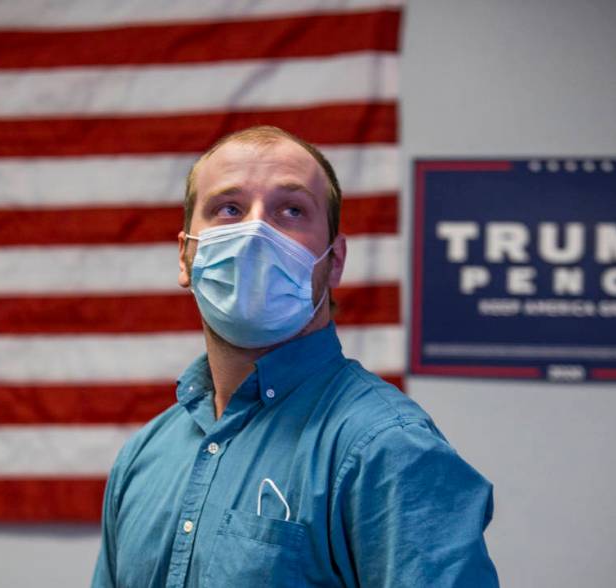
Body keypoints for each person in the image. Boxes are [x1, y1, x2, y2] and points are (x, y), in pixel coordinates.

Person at [92, 126, 498, 587]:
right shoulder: (146, 454)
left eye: (291, 210)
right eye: (230, 209)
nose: (256, 233)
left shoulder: (389, 450)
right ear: (186, 256)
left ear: (335, 260)